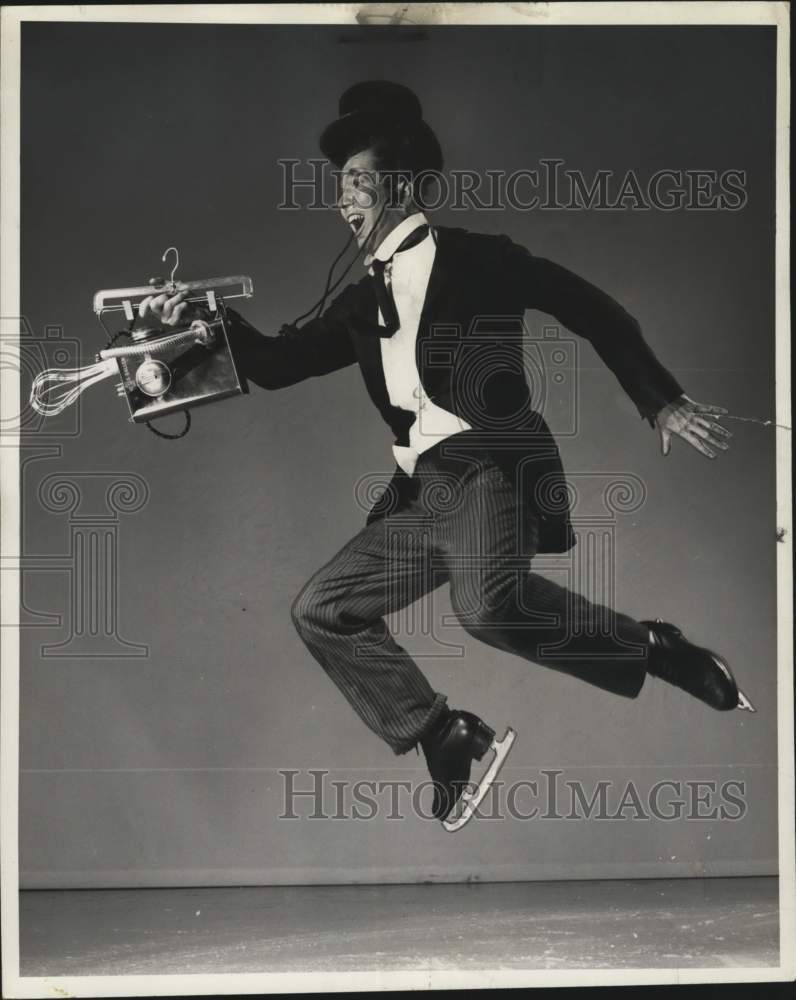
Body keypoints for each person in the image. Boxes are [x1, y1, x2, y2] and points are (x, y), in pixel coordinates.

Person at [139, 81, 754, 831]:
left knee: (487, 607)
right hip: (422, 493)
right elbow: (277, 364)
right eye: (338, 188)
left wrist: (660, 398)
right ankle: (444, 733)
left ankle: (654, 648)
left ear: (400, 185)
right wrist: (205, 324)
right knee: (323, 610)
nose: (343, 202)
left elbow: (593, 308)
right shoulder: (359, 301)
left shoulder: (479, 261)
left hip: (489, 468)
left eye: (357, 182)